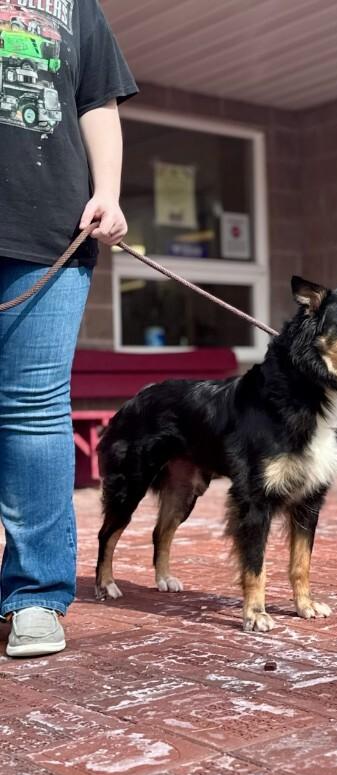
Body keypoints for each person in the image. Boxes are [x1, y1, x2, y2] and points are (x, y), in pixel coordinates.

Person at [0, 0, 137, 657]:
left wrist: (107, 191)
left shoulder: (76, 5)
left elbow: (97, 101)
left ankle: (34, 596)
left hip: (49, 235)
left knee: (32, 409)